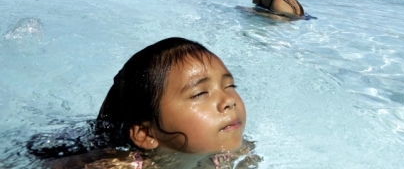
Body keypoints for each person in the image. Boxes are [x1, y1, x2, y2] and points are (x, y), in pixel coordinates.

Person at [39, 38, 252, 167]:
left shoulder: (235, 155)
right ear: (146, 134)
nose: (228, 101)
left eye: (230, 86)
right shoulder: (112, 167)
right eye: (199, 93)